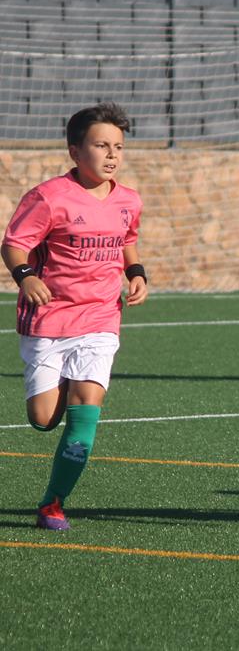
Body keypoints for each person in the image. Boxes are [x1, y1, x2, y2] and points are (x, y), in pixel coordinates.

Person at [2, 102, 148, 531]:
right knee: (44, 419)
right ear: (74, 151)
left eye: (118, 147)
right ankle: (64, 385)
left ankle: (53, 503)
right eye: (101, 145)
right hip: (49, 321)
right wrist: (26, 277)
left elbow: (127, 239)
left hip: (101, 319)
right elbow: (13, 245)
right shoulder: (48, 197)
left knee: (85, 420)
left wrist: (136, 273)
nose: (112, 155)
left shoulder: (128, 199)